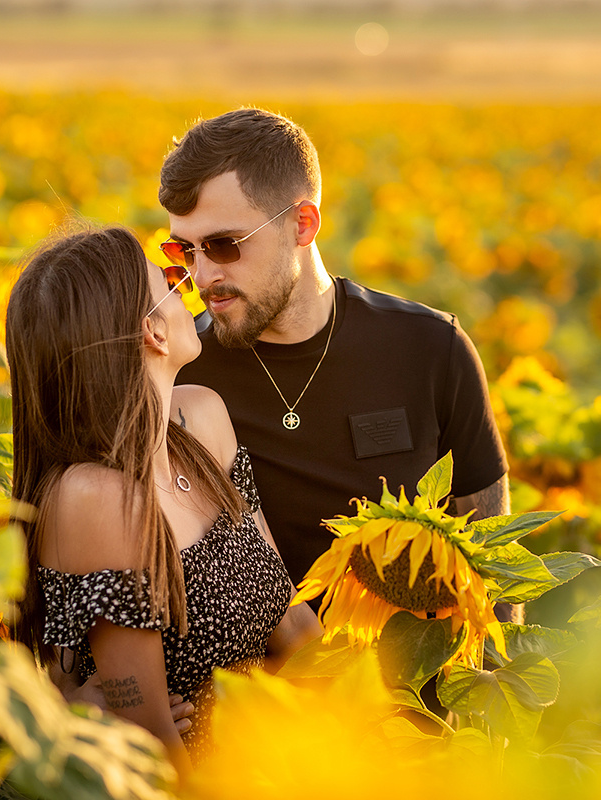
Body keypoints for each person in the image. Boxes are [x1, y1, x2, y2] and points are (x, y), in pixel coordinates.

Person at [161, 108, 512, 610]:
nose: (202, 275)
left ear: (302, 224)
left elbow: (492, 555)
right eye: (185, 250)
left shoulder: (430, 347)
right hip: (270, 661)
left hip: (416, 659)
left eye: (223, 245)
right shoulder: (181, 372)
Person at [5, 225, 321, 775]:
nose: (191, 286)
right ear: (151, 331)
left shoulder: (202, 419)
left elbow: (292, 624)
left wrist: (366, 726)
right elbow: (153, 744)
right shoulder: (94, 497)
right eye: (171, 281)